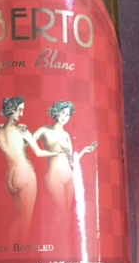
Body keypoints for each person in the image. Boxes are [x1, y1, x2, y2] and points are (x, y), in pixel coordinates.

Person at [0, 96, 60, 242]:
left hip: (10, 179)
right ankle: (22, 252)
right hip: (25, 175)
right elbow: (38, 152)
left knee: (19, 217)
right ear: (11, 110)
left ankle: (12, 248)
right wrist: (57, 153)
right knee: (26, 220)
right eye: (19, 110)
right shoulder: (22, 131)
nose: (21, 114)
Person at [33, 101, 97, 239]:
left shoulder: (66, 134)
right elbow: (28, 142)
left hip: (69, 177)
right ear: (56, 112)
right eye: (62, 113)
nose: (64, 117)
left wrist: (84, 151)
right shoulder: (44, 130)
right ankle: (49, 239)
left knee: (66, 213)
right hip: (54, 176)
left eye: (67, 115)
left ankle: (58, 241)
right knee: (61, 210)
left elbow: (72, 161)